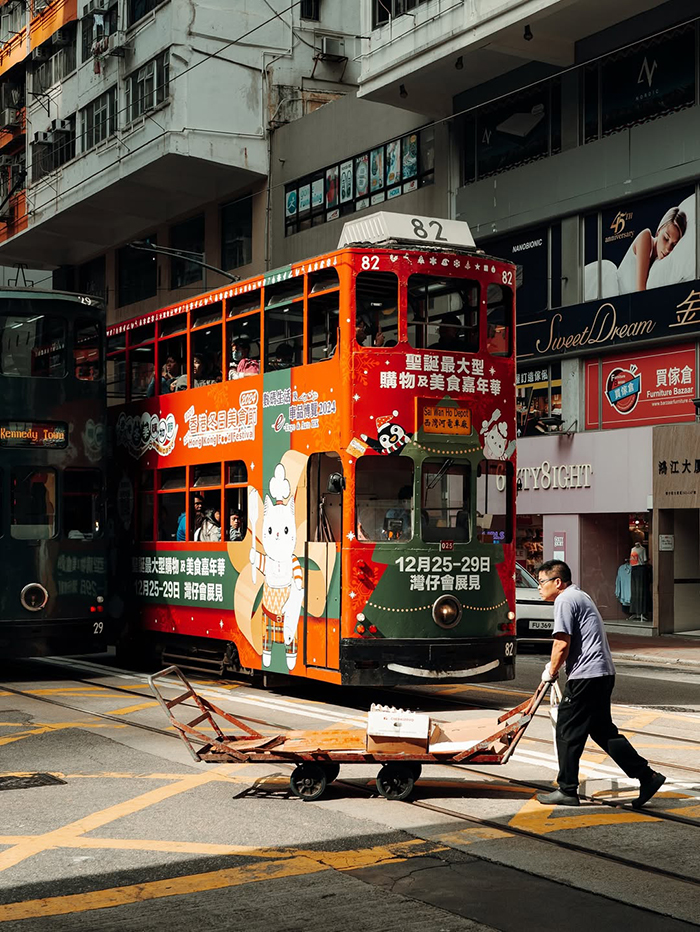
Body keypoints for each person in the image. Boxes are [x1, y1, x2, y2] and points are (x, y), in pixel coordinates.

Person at [534, 560, 665, 808]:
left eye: (541, 582)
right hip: (602, 673)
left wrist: (551, 671)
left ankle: (567, 789)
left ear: (557, 582)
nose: (539, 587)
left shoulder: (564, 600)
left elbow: (561, 643)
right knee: (603, 732)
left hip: (586, 676)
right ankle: (647, 777)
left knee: (566, 730)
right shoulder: (579, 595)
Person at [617, 206, 687, 293]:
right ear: (659, 231)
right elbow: (641, 291)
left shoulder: (658, 263)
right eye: (666, 238)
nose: (668, 249)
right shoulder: (645, 237)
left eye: (674, 245)